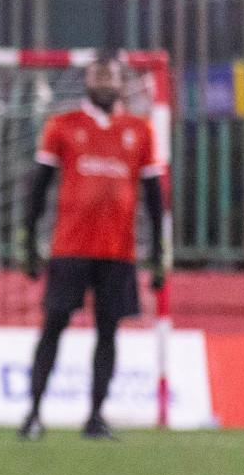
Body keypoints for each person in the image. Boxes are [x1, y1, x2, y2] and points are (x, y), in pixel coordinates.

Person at [20, 54, 165, 441]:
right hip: (70, 248)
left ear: (122, 83)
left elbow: (154, 197)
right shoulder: (62, 126)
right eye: (97, 75)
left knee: (108, 332)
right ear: (86, 80)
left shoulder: (141, 130)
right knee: (53, 325)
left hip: (118, 252)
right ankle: (33, 413)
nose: (103, 82)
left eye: (111, 76)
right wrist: (29, 242)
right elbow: (38, 188)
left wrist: (160, 253)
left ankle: (96, 416)